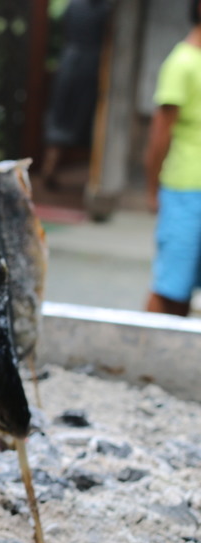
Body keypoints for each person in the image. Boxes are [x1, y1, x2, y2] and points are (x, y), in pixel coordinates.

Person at [144, 0, 201, 317]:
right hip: (187, 190)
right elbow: (160, 133)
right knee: (170, 289)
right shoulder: (182, 63)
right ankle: (143, 361)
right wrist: (153, 189)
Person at [40, 0, 110, 190]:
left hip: (69, 62)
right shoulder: (105, 9)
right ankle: (92, 178)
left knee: (60, 118)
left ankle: (50, 168)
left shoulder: (73, 5)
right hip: (91, 66)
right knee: (88, 119)